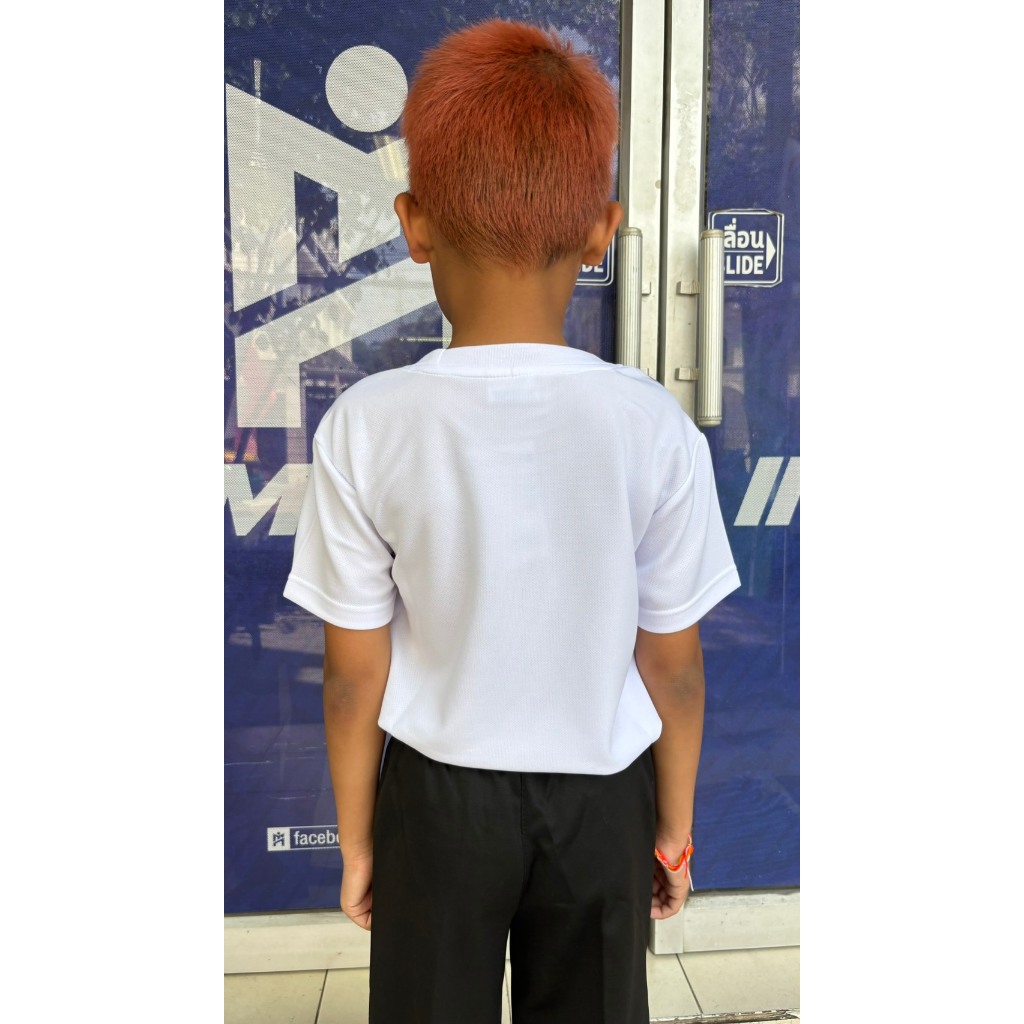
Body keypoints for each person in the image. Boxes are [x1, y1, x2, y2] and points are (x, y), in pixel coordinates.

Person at [283, 19, 740, 1024]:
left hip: (435, 799)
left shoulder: (368, 424)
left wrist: (360, 842)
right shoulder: (652, 426)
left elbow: (353, 677)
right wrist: (671, 832)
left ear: (414, 224)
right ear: (602, 231)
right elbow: (675, 670)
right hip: (603, 791)